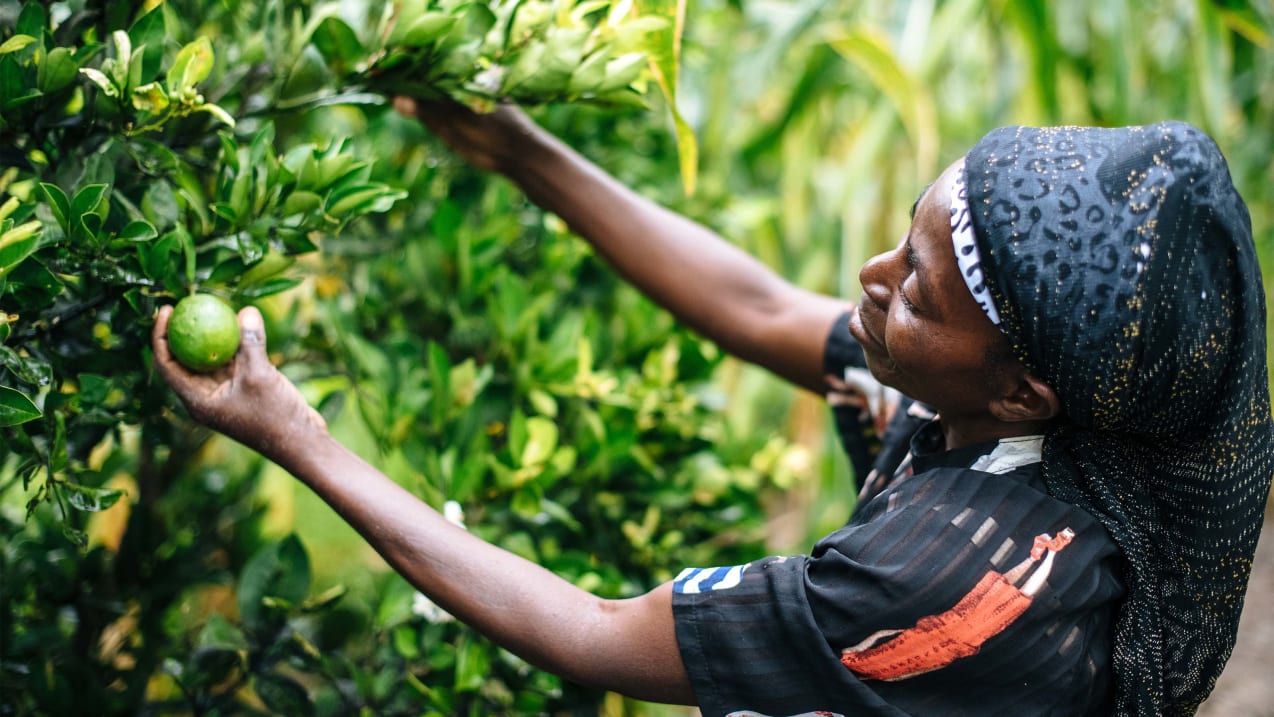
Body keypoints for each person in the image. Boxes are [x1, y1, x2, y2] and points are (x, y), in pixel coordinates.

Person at [153, 106, 1272, 716]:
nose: (874, 275)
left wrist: (288, 429)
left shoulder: (954, 579)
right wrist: (519, 149)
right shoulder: (1014, 393)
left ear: (1022, 388)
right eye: (905, 235)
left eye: (917, 287)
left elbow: (590, 634)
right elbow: (756, 303)